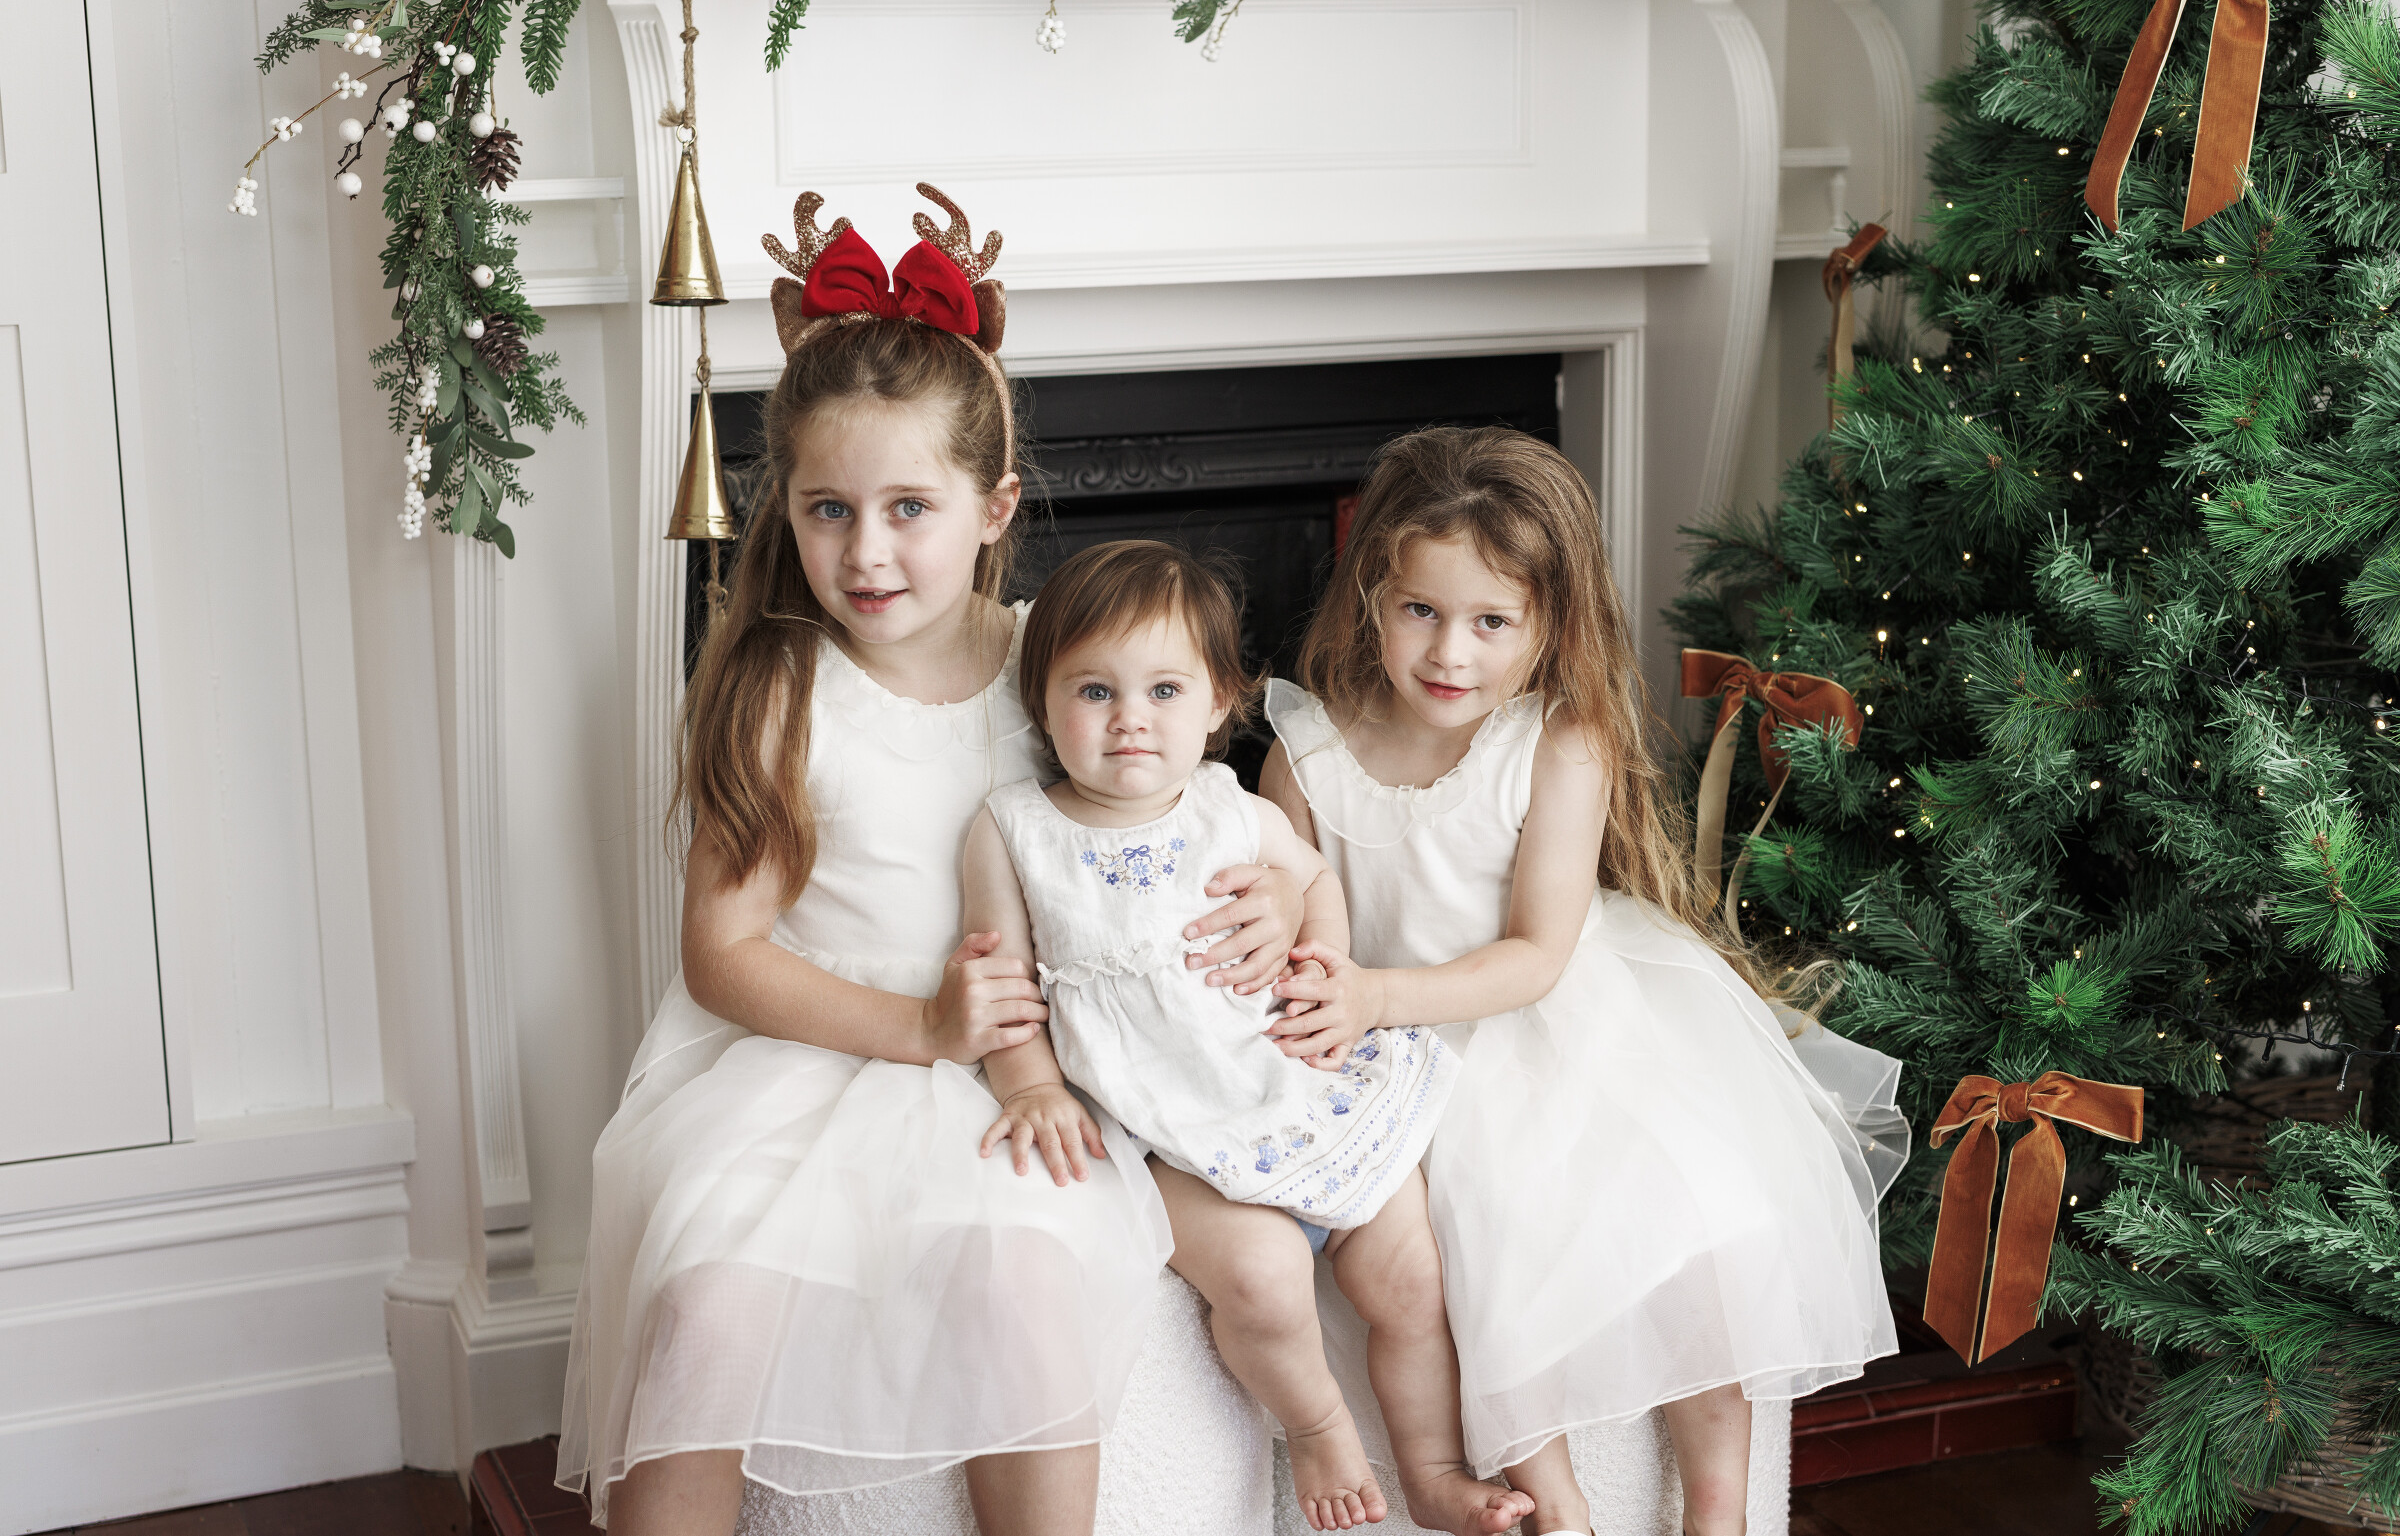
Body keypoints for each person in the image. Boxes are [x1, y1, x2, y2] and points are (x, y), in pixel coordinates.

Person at [556, 189, 1305, 1536]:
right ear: (784, 507)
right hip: (820, 1049)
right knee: (706, 1291)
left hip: (1025, 1062)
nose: (867, 550)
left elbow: (1188, 805)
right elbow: (721, 955)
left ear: (994, 504)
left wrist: (1285, 888)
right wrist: (922, 1027)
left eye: (910, 506)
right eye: (828, 509)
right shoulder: (779, 687)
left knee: (1024, 1267)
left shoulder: (1054, 662)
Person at [1260, 427, 1905, 1536]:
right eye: (1420, 609)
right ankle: (1555, 1507)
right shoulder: (1307, 751)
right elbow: (1294, 922)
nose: (1449, 652)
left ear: (1549, 624)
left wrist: (1375, 993)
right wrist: (1334, 997)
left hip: (1552, 1015)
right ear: (1372, 595)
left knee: (1704, 1217)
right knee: (1488, 1234)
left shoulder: (1558, 741)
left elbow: (1537, 955)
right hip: (1397, 1057)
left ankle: (1718, 1514)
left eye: (1491, 622)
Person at [963, 540, 1536, 1536]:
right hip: (1168, 1138)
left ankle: (1433, 1466)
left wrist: (1321, 961)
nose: (1130, 717)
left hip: (1300, 1086)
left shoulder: (1231, 808)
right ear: (1041, 702)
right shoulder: (1015, 829)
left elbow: (1318, 882)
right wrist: (1032, 1085)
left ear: (1218, 702)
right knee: (1264, 1279)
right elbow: (1001, 981)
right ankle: (1316, 1425)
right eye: (1094, 690)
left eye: (1164, 689)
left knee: (1410, 1274)